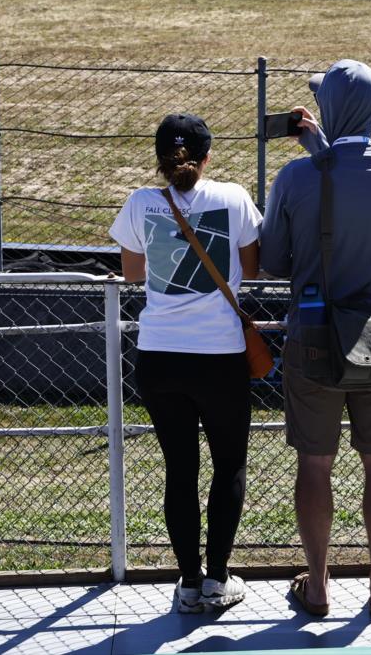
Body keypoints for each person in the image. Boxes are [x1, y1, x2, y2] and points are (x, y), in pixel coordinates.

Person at [260, 60, 371, 619]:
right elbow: (360, 179)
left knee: (315, 463)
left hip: (312, 335)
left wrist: (318, 157)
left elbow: (275, 260)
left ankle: (319, 586)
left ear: (326, 110)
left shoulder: (296, 177)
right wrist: (326, 153)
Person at [110, 114, 262, 614]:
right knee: (228, 466)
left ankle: (189, 583)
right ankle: (218, 578)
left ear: (159, 158)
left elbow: (133, 275)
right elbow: (251, 269)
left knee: (180, 469)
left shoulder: (140, 202)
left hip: (160, 355)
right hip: (219, 357)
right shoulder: (234, 198)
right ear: (207, 156)